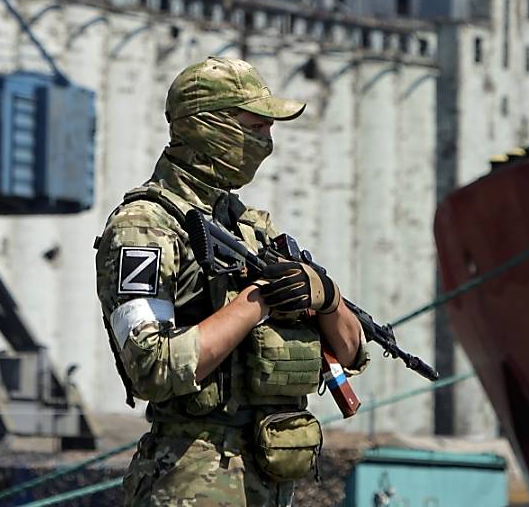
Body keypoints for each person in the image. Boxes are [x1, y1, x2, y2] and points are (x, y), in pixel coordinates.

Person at [95, 56, 369, 506]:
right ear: (208, 127)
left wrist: (326, 297)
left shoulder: (251, 229)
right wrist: (255, 301)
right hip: (191, 481)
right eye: (255, 127)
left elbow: (353, 353)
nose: (267, 142)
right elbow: (152, 368)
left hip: (268, 478)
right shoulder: (144, 228)